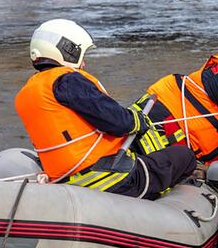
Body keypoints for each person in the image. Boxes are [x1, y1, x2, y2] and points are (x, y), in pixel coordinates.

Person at [14, 19, 196, 200]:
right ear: (68, 51)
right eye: (82, 56)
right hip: (112, 179)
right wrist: (137, 120)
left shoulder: (28, 93)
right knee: (185, 156)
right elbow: (119, 122)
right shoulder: (67, 81)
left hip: (66, 180)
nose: (83, 64)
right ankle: (159, 204)